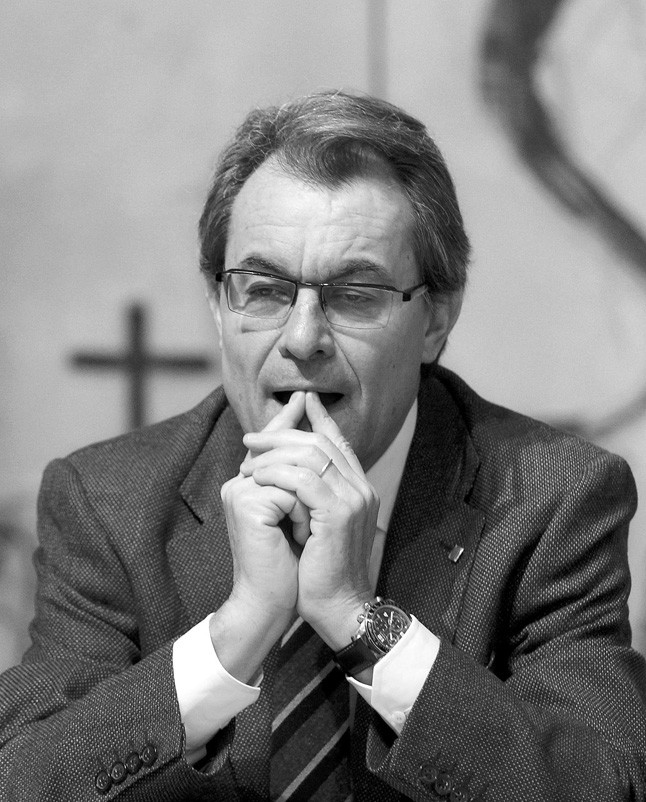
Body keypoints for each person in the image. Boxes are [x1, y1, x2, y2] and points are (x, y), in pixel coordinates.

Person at [0, 90, 645, 801]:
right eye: (266, 289)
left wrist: (359, 619)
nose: (303, 338)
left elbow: (599, 787)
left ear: (436, 317)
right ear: (219, 307)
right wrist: (236, 633)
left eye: (355, 294)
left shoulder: (552, 498)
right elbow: (27, 780)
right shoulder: (108, 503)